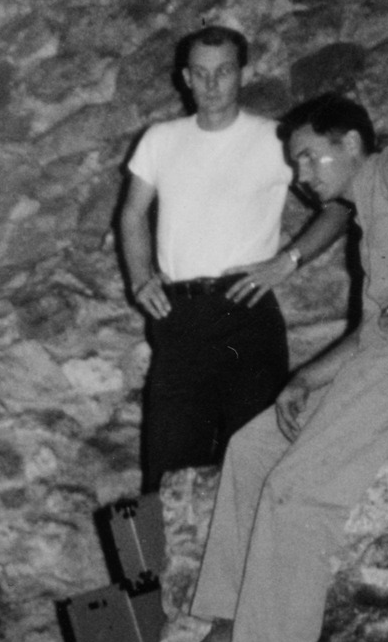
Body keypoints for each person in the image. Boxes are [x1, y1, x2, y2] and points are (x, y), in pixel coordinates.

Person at [155, 95, 388, 642]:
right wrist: (302, 379)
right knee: (252, 448)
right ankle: (229, 629)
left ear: (353, 143)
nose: (302, 175)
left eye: (309, 156)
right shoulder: (371, 219)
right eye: (296, 162)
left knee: (300, 487)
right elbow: (368, 331)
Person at [119, 26, 352, 489]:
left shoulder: (273, 140)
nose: (211, 85)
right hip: (179, 314)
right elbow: (130, 216)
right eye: (200, 74)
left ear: (242, 73)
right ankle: (143, 566)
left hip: (246, 311)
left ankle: (254, 563)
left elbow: (341, 205)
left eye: (223, 72)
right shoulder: (159, 140)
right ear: (185, 77)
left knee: (254, 462)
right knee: (161, 468)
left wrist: (287, 261)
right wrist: (141, 280)